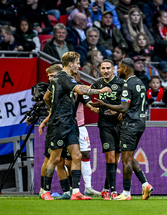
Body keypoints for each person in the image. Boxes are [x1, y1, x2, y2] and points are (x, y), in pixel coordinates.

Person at [40, 51, 112, 200]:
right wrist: (100, 90)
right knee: (54, 158)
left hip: (70, 122)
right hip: (59, 123)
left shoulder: (60, 79)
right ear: (70, 64)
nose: (79, 66)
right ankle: (45, 191)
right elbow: (80, 89)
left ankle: (76, 192)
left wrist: (52, 107)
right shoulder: (63, 77)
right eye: (78, 63)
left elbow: (46, 97)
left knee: (77, 155)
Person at [91, 58, 154, 201]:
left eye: (118, 68)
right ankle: (145, 184)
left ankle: (125, 192)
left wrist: (105, 105)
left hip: (129, 124)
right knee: (129, 156)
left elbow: (124, 107)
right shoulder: (140, 83)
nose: (118, 70)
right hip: (141, 122)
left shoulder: (126, 84)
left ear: (125, 68)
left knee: (125, 159)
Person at [89, 59, 125, 200]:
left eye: (108, 68)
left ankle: (105, 188)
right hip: (105, 125)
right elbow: (84, 94)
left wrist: (124, 112)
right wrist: (91, 107)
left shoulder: (121, 84)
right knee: (109, 157)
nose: (105, 71)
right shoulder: (98, 84)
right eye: (103, 68)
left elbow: (132, 100)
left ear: (113, 69)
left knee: (115, 159)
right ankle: (114, 191)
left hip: (120, 125)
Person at [38, 64, 72, 200]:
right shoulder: (52, 89)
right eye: (49, 76)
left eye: (52, 76)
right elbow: (51, 108)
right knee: (50, 158)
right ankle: (43, 188)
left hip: (66, 126)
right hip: (55, 127)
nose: (50, 79)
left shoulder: (62, 86)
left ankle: (67, 191)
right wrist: (46, 121)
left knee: (62, 161)